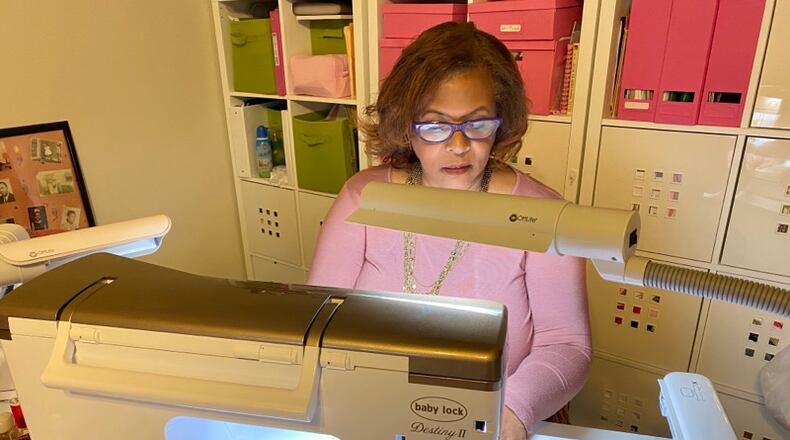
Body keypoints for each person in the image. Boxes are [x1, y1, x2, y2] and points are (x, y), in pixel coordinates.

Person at [307, 22, 590, 438]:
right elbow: (319, 316)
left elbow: (567, 345)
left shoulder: (543, 215)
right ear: (406, 125)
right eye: (436, 126)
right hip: (371, 408)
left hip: (490, 416)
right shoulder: (363, 196)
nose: (458, 146)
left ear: (502, 120)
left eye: (477, 125)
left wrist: (512, 412)